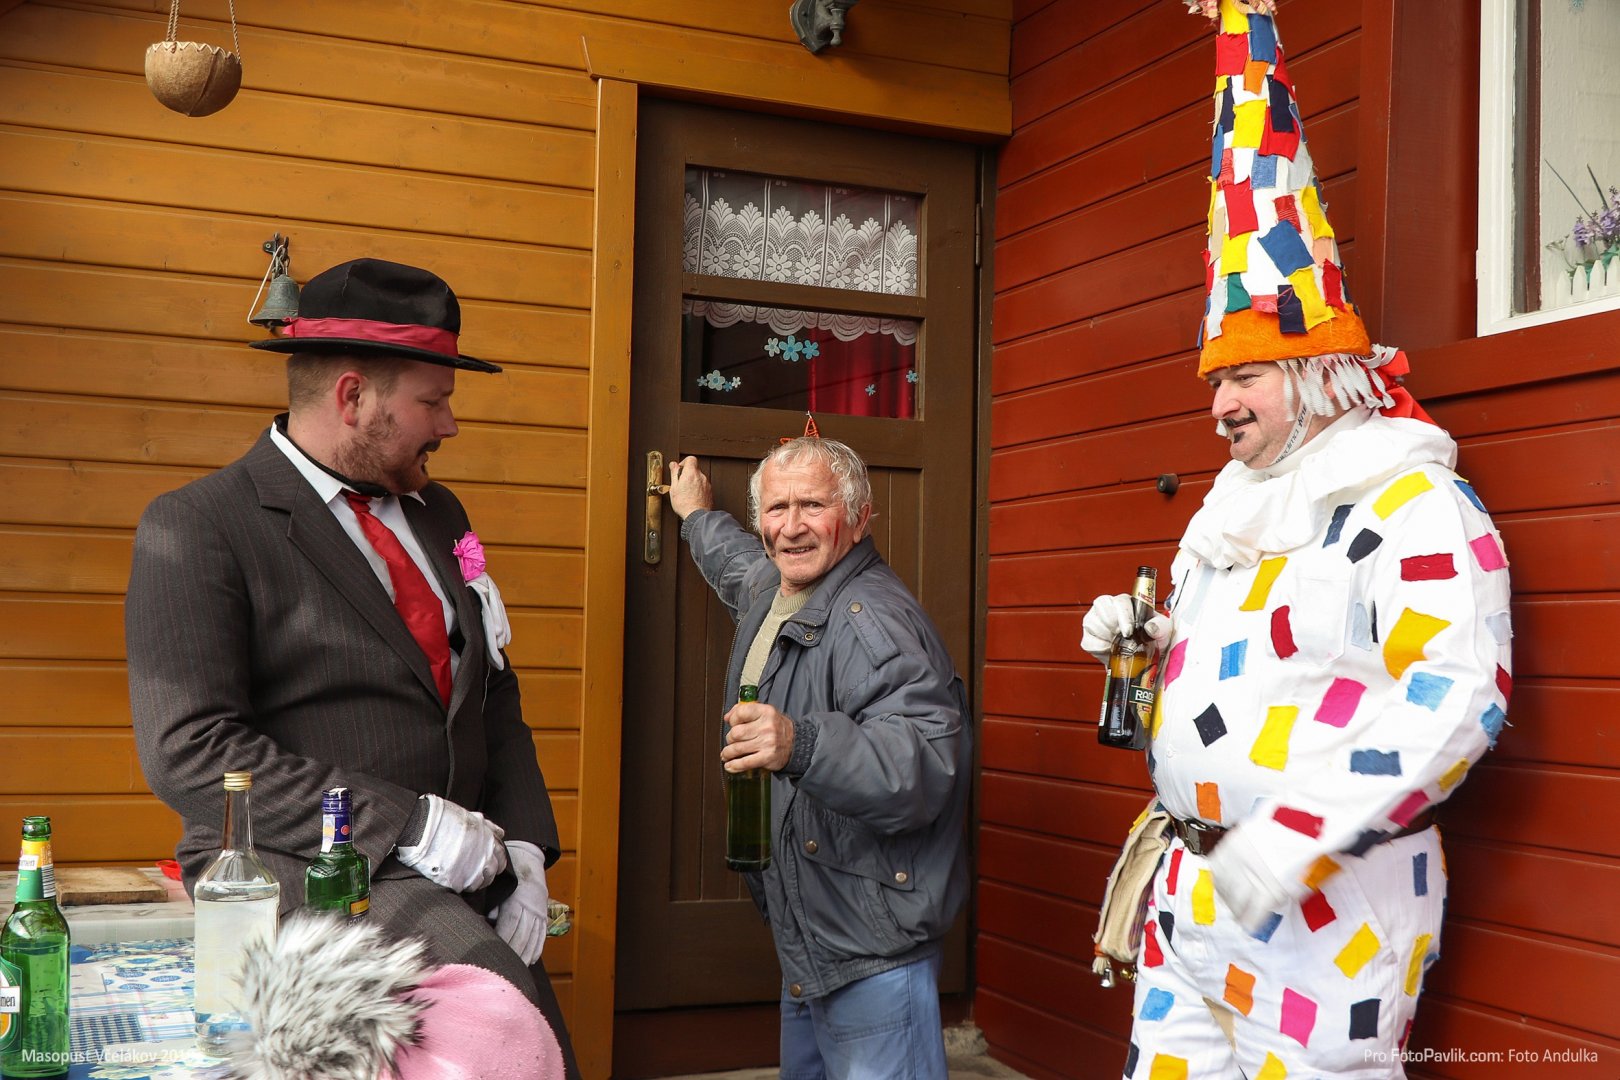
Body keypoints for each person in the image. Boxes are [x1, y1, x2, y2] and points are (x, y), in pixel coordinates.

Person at [1078, 3, 1514, 1078]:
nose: (1219, 405)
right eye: (1215, 379)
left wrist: (1293, 833)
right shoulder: (1231, 507)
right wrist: (1148, 642)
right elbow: (1249, 670)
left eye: (1243, 375)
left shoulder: (1412, 504)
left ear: (1319, 376)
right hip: (1191, 896)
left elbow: (1458, 694)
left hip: (1331, 909)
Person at [125, 257, 578, 1076]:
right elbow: (189, 750)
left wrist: (526, 842)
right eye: (433, 402)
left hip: (465, 862)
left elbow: (493, 677)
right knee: (501, 1020)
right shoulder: (199, 526)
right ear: (353, 396)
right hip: (310, 864)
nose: (449, 426)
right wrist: (407, 825)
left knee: (542, 1040)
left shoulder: (446, 515)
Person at [666, 431, 971, 1080]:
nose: (791, 526)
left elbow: (922, 767)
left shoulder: (873, 622)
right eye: (777, 508)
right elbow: (736, 563)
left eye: (813, 506)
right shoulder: (777, 592)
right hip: (815, 933)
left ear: (860, 518)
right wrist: (694, 515)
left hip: (870, 944)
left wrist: (799, 743)